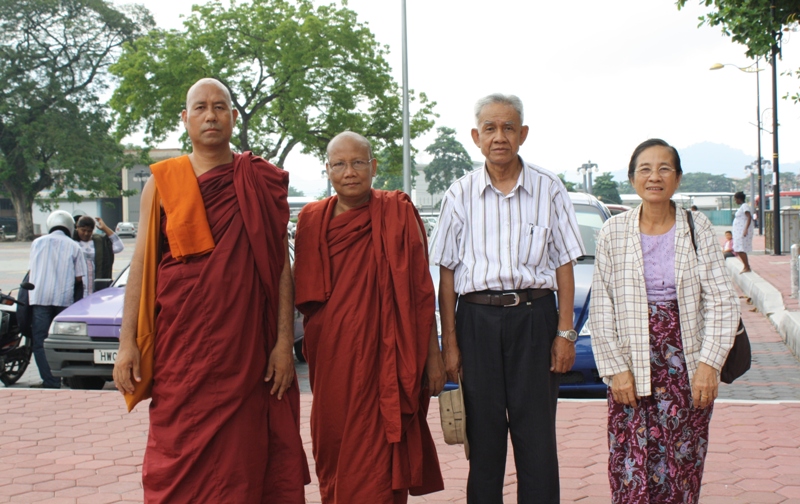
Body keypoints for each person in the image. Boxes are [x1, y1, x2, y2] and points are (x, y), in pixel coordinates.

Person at [112, 77, 309, 502]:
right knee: (175, 452)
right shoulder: (162, 182)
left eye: (220, 107)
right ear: (185, 119)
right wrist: (127, 342)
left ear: (234, 118)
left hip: (247, 351)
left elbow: (280, 267)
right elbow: (143, 266)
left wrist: (281, 344)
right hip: (182, 353)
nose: (210, 115)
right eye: (200, 107)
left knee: (245, 461)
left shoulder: (258, 181)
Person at [431, 94, 585, 503]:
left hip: (535, 319)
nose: (499, 137)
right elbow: (446, 273)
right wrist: (450, 342)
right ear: (476, 137)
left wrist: (565, 333)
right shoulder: (458, 194)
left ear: (523, 134)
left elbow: (565, 263)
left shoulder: (549, 188)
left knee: (536, 437)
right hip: (476, 321)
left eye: (508, 128)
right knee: (483, 441)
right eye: (490, 129)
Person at [293, 131, 445, 503]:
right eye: (340, 164)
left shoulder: (398, 212)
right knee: (334, 447)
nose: (350, 172)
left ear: (373, 167)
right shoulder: (311, 220)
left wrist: (434, 357)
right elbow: (304, 298)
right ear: (327, 170)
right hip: (333, 362)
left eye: (358, 162)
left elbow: (421, 291)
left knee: (381, 458)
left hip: (388, 361)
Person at [589, 139, 739, 504]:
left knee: (682, 461)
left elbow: (722, 299)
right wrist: (615, 369)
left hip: (686, 361)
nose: (654, 177)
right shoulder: (614, 231)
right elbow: (602, 306)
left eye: (664, 169)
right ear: (632, 178)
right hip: (632, 358)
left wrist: (709, 366)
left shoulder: (697, 227)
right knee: (630, 462)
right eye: (645, 169)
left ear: (678, 179)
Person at [28, 210, 87, 388]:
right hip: (63, 300)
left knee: (40, 341)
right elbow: (79, 278)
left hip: (39, 299)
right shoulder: (74, 246)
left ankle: (50, 381)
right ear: (70, 227)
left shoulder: (36, 243)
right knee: (62, 342)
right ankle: (65, 376)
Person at [74, 216, 124, 297]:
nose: (86, 233)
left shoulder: (100, 243)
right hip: (77, 293)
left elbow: (119, 247)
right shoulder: (72, 243)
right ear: (77, 227)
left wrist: (105, 228)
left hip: (96, 292)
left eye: (89, 231)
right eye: (83, 230)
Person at [733, 191, 753, 273]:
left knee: (740, 249)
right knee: (738, 248)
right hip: (738, 231)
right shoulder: (742, 207)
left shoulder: (745, 206)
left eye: (736, 199)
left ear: (739, 199)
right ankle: (746, 266)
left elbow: (749, 217)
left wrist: (745, 229)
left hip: (742, 231)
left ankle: (746, 266)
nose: (735, 201)